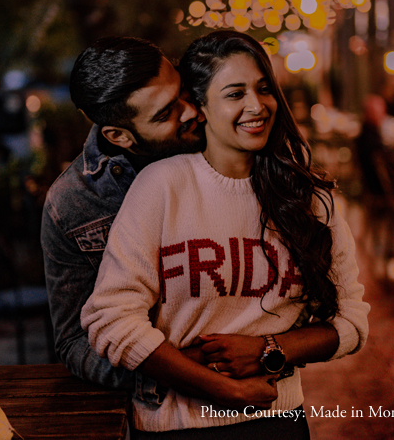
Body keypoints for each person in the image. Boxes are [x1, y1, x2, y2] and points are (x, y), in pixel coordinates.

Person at [81, 31, 369, 438]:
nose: (257, 106)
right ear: (199, 107)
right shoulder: (161, 187)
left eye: (263, 88)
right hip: (176, 427)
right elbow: (110, 318)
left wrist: (270, 349)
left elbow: (352, 322)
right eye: (235, 93)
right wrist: (223, 390)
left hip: (280, 421)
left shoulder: (311, 199)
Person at [40, 36, 203, 395]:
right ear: (119, 135)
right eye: (165, 113)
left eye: (184, 94)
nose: (190, 112)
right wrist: (183, 374)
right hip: (158, 409)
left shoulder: (221, 143)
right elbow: (73, 342)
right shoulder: (72, 203)